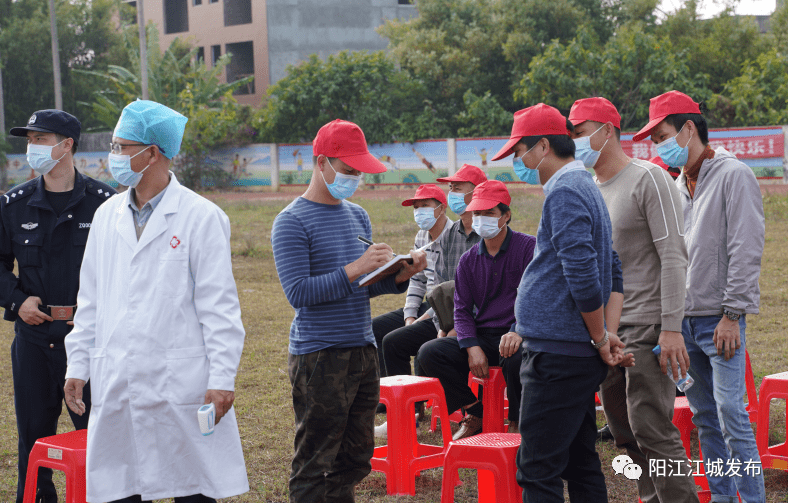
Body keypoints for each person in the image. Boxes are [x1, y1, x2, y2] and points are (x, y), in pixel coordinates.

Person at [63, 100, 249, 503]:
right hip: (119, 376)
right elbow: (90, 300)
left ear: (153, 152)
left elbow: (219, 308)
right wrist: (77, 364)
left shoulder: (201, 217)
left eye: (120, 147)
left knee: (193, 487)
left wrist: (221, 378)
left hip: (180, 381)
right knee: (121, 486)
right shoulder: (106, 216)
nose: (112, 157)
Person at [271, 119, 427, 503]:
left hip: (362, 349)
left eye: (359, 172)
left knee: (355, 457)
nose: (355, 178)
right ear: (321, 163)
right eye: (348, 170)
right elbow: (298, 293)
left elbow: (362, 288)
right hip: (319, 356)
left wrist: (400, 275)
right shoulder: (291, 222)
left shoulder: (357, 215)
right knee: (315, 460)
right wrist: (355, 268)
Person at [491, 103, 632, 502]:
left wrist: (601, 336)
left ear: (540, 148)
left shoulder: (566, 192)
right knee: (578, 459)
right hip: (571, 351)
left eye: (519, 154)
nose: (519, 163)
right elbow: (613, 267)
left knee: (537, 470)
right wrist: (605, 334)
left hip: (558, 356)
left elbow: (586, 279)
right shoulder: (582, 185)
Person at [634, 90, 766, 503]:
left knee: (731, 414)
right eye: (655, 140)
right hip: (682, 325)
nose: (660, 147)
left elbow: (745, 248)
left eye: (663, 136)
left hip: (720, 321)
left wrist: (732, 313)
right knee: (706, 417)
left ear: (689, 129)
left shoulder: (734, 175)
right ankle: (725, 496)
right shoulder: (676, 186)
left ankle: (753, 498)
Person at [569, 97, 698, 503]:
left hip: (648, 324)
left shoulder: (649, 178)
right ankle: (652, 496)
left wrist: (672, 328)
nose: (574, 141)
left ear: (607, 130)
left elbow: (675, 256)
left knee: (652, 427)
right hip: (607, 332)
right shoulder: (588, 189)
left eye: (579, 131)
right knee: (623, 430)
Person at [0, 109, 116, 503]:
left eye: (40, 139)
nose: (31, 147)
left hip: (91, 342)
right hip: (34, 341)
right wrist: (17, 300)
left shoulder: (105, 204)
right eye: (29, 140)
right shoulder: (13, 204)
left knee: (102, 442)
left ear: (67, 145)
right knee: (35, 443)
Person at [418, 180, 535, 439]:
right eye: (477, 213)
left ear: (506, 215)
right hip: (483, 337)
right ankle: (475, 411)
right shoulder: (468, 260)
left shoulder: (528, 248)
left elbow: (537, 298)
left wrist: (518, 330)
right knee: (429, 353)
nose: (481, 219)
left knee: (520, 358)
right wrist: (472, 346)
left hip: (518, 334)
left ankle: (516, 423)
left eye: (489, 213)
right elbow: (461, 309)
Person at [381, 164, 485, 390]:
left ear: (477, 191)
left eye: (459, 188)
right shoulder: (449, 236)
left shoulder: (488, 234)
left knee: (427, 351)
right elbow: (440, 290)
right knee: (391, 340)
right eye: (451, 188)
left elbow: (485, 292)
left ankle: (469, 409)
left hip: (480, 321)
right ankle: (409, 407)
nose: (453, 193)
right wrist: (441, 325)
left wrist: (458, 327)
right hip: (447, 317)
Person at [372, 184, 451, 433]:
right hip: (428, 303)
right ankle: (390, 403)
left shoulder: (454, 237)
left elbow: (447, 292)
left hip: (445, 308)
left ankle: (410, 414)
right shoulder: (421, 236)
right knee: (377, 328)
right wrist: (409, 315)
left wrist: (422, 318)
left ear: (441, 208)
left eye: (424, 206)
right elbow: (417, 281)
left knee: (394, 341)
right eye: (416, 208)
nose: (419, 212)